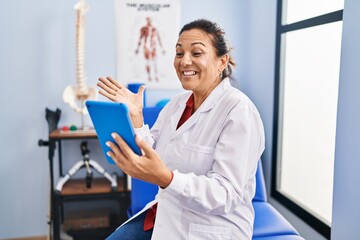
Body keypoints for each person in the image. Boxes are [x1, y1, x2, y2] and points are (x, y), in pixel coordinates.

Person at [97, 19, 265, 240]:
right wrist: (136, 117)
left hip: (209, 228)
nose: (185, 61)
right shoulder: (177, 104)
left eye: (196, 53)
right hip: (166, 215)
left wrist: (167, 178)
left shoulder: (238, 111)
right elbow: (152, 151)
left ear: (221, 61)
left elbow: (225, 194)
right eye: (179, 53)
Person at [135, 17, 165, 82]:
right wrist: (137, 48)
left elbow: (159, 38)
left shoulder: (154, 29)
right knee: (147, 62)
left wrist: (162, 48)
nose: (149, 21)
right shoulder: (144, 29)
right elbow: (140, 38)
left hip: (153, 47)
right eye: (148, 20)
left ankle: (156, 76)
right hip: (146, 46)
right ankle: (149, 76)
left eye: (150, 20)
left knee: (155, 62)